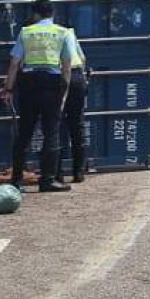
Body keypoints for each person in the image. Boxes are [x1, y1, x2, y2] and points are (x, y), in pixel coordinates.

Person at [0, 0, 75, 193]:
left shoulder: (26, 32)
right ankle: (48, 180)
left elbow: (15, 63)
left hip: (29, 83)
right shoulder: (63, 32)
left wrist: (8, 89)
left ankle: (16, 180)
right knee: (51, 133)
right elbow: (67, 65)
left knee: (24, 133)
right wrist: (64, 92)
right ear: (52, 13)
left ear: (35, 14)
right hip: (52, 84)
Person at [58, 29, 90, 184]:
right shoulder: (68, 32)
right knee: (77, 125)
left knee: (55, 127)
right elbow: (82, 57)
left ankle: (57, 173)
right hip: (78, 76)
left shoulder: (35, 33)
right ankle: (79, 172)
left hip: (58, 75)